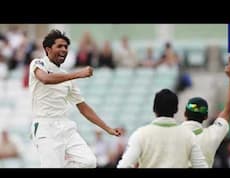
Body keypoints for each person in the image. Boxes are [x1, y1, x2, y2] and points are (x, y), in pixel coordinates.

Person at [29, 29, 122, 168]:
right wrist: (78, 74)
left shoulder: (67, 77)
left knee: (89, 162)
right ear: (47, 49)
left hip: (65, 126)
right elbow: (46, 79)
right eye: (59, 46)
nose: (64, 49)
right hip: (45, 127)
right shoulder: (38, 64)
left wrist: (107, 128)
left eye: (66, 47)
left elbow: (83, 107)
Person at [117, 89, 208, 168]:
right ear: (176, 110)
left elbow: (124, 165)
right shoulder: (188, 135)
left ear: (154, 109)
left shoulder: (140, 134)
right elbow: (201, 166)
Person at [181, 56, 230, 168]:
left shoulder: (172, 134)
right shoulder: (212, 135)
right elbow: (229, 109)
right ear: (206, 116)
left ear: (185, 114)